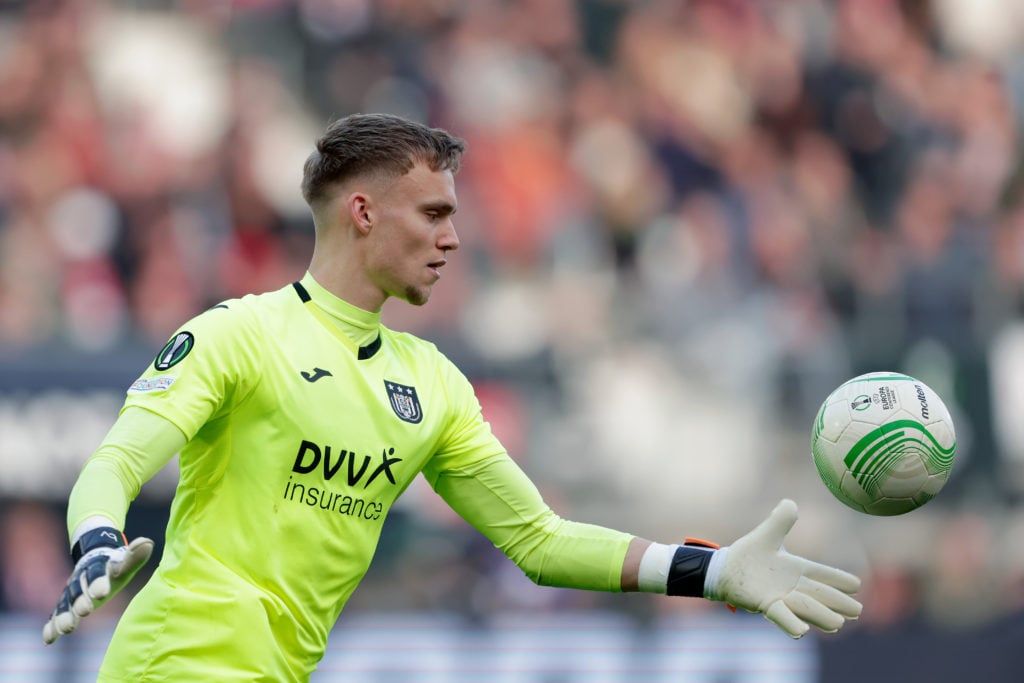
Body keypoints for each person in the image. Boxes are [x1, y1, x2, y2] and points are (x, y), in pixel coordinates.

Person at [43, 113, 862, 681]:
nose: (453, 238)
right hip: (175, 666)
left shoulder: (432, 385)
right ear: (363, 212)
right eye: (433, 213)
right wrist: (95, 539)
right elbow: (114, 459)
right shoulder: (238, 335)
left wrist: (710, 572)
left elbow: (540, 541)